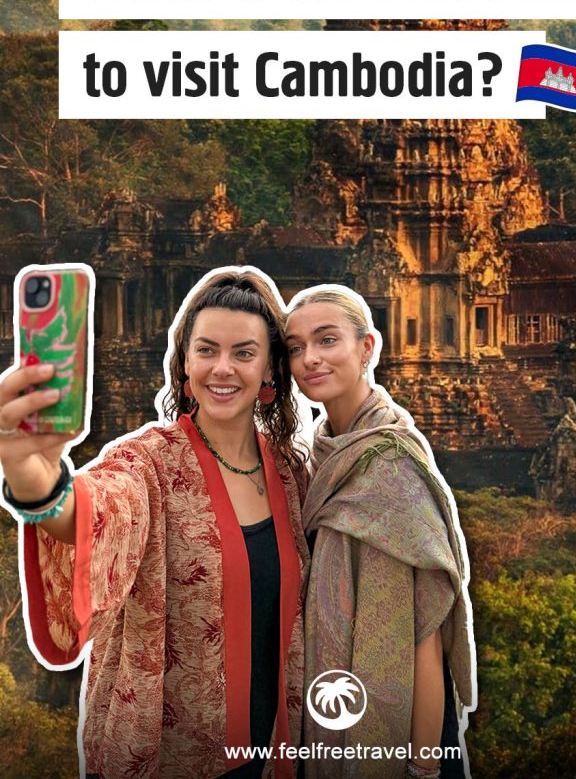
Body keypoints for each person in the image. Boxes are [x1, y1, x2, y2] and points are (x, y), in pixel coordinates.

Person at [0, 267, 310, 779]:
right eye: (206, 350)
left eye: (244, 353)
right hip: (170, 761)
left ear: (270, 371)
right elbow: (99, 509)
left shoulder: (290, 473)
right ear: (185, 362)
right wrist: (35, 479)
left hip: (278, 755)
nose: (222, 368)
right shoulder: (149, 463)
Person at [284, 286, 475, 779]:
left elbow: (425, 631)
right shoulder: (316, 455)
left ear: (367, 347)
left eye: (327, 340)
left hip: (408, 734)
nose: (310, 358)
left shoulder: (392, 464)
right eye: (295, 347)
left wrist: (423, 766)